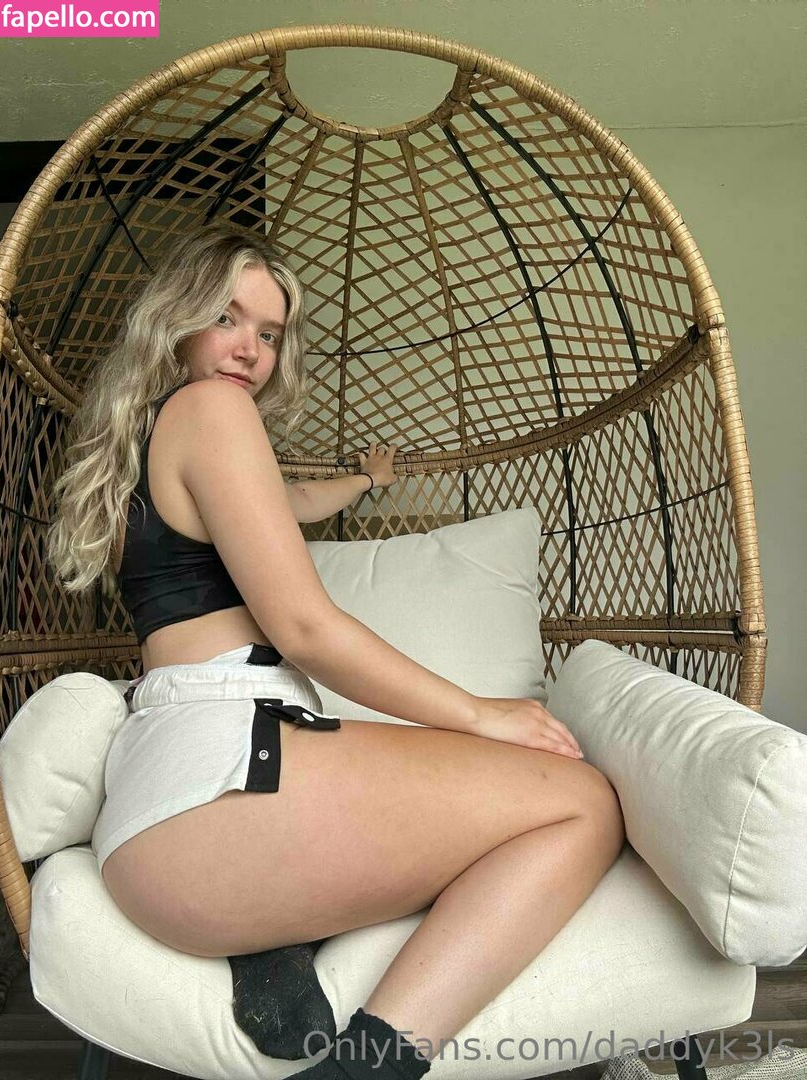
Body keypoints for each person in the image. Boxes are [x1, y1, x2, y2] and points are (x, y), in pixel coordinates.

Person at [46, 222, 625, 1078]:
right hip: (222, 778)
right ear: (178, 319)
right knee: (583, 803)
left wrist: (367, 481)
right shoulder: (211, 410)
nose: (249, 349)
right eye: (226, 318)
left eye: (269, 333)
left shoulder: (156, 436)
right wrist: (479, 713)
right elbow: (304, 628)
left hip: (165, 814)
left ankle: (274, 936)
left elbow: (298, 501)